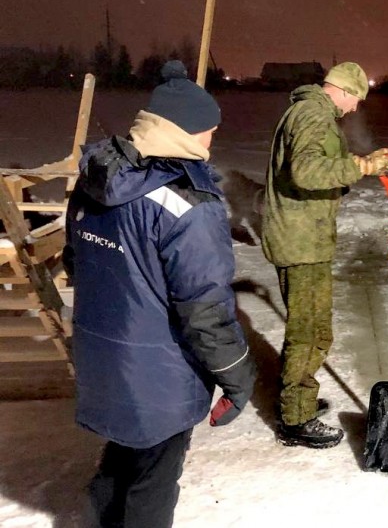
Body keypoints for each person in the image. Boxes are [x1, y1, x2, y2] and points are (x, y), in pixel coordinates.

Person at [66, 60, 256, 528]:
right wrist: (237, 376)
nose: (211, 142)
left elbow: (77, 262)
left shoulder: (95, 179)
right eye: (208, 132)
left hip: (101, 354)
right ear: (183, 133)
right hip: (160, 369)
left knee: (122, 456)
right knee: (154, 476)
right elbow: (205, 310)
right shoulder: (191, 207)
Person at [261, 61, 388, 448]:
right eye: (355, 100)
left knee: (315, 329)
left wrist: (359, 165)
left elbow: (310, 168)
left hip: (305, 236)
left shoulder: (309, 112)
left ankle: (298, 398)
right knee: (309, 332)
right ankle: (296, 419)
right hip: (300, 241)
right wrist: (364, 166)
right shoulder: (313, 114)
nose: (354, 109)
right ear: (343, 90)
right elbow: (305, 171)